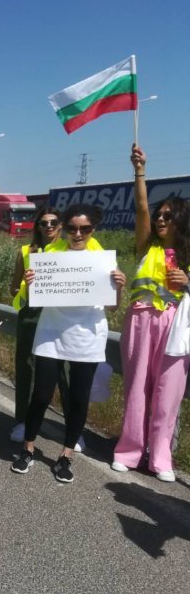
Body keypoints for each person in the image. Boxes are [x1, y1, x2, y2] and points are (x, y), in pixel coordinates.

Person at [11, 203, 125, 483]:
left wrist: (119, 287)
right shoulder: (51, 255)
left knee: (78, 397)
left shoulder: (103, 259)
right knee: (41, 394)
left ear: (93, 229)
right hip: (51, 331)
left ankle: (65, 456)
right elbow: (34, 298)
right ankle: (28, 448)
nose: (77, 233)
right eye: (72, 228)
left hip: (87, 335)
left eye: (84, 228)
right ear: (65, 229)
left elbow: (112, 308)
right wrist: (31, 283)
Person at [112, 145, 190, 483]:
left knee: (169, 392)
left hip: (177, 325)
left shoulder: (187, 253)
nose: (160, 219)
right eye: (159, 215)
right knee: (137, 387)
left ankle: (161, 457)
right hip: (141, 319)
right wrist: (140, 170)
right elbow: (142, 207)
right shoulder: (147, 246)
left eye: (167, 216)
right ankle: (129, 451)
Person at [8, 206, 64, 442]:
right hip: (32, 312)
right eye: (44, 223)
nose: (48, 227)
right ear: (37, 226)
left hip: (61, 312)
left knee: (65, 370)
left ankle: (72, 427)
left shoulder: (69, 250)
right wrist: (26, 287)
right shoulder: (26, 251)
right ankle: (23, 420)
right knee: (26, 368)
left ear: (61, 225)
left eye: (53, 222)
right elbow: (13, 287)